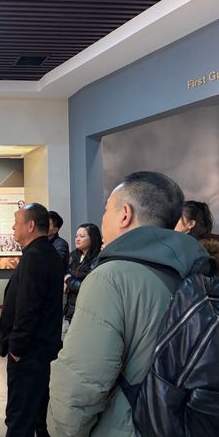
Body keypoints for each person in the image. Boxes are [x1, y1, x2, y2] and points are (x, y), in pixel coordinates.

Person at [48, 171, 213, 437]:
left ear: (125, 214)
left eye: (106, 210)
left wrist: (61, 431)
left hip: (127, 426)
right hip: (182, 422)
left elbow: (81, 384)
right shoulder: (199, 271)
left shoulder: (110, 277)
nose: (103, 219)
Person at [0, 203, 64, 437]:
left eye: (17, 222)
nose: (13, 227)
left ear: (31, 225)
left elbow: (28, 307)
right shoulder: (45, 253)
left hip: (28, 354)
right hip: (39, 351)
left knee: (19, 417)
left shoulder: (35, 257)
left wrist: (16, 348)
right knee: (36, 414)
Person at [63, 223, 102, 323]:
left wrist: (68, 280)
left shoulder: (98, 259)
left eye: (82, 236)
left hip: (88, 310)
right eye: (76, 236)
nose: (77, 239)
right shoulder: (73, 256)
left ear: (92, 238)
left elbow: (87, 287)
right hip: (71, 308)